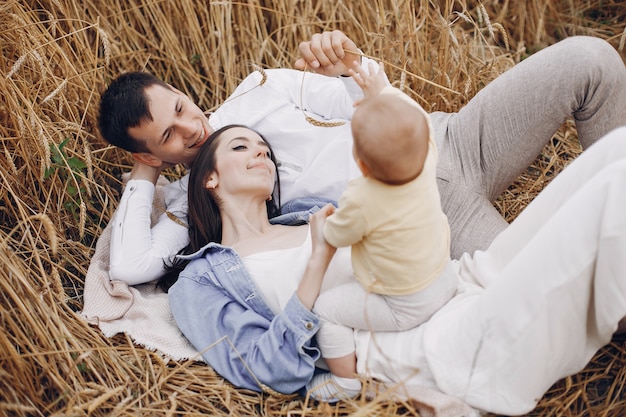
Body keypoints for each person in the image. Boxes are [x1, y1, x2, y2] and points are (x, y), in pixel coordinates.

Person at [95, 30, 626, 286]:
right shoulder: (198, 200)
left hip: (452, 137)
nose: (192, 127)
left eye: (182, 107)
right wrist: (146, 175)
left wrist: (348, 65)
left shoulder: (259, 88)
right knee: (565, 281)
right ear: (150, 151)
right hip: (428, 211)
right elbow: (131, 266)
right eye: (168, 135)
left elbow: (364, 95)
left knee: (590, 59)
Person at [166, 121, 626, 415]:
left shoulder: (310, 211)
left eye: (266, 148)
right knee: (614, 195)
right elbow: (269, 370)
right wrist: (318, 260)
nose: (262, 153)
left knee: (616, 151)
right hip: (431, 344)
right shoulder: (201, 280)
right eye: (243, 146)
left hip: (459, 280)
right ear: (209, 177)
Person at [308, 61, 457, 401]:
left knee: (326, 310)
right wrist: (382, 92)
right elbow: (415, 115)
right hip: (444, 274)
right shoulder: (426, 158)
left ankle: (345, 381)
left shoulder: (361, 199)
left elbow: (337, 236)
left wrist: (323, 227)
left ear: (360, 164)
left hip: (404, 303)